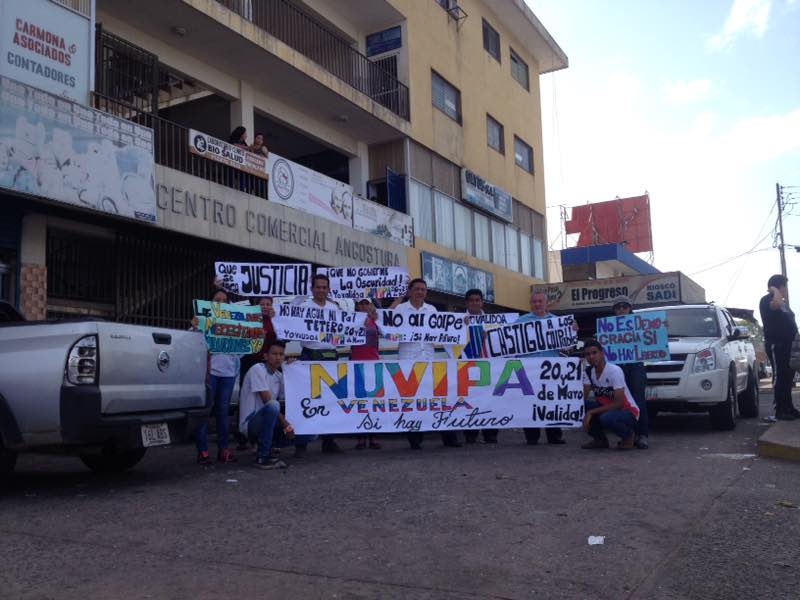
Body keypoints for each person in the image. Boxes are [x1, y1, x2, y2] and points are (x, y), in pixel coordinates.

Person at [395, 278, 461, 449]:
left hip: (430, 360)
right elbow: (384, 322)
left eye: (423, 289)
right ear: (409, 291)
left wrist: (461, 324)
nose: (420, 292)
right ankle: (415, 441)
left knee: (439, 399)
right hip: (408, 361)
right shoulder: (400, 310)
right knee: (411, 402)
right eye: (417, 289)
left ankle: (449, 438)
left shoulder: (432, 310)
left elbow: (445, 329)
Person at [296, 273, 344, 455]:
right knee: (306, 399)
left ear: (328, 289)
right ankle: (301, 444)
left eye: (324, 287)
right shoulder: (303, 306)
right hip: (309, 355)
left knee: (331, 400)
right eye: (318, 287)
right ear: (312, 288)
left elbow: (345, 330)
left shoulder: (335, 308)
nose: (321, 290)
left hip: (331, 357)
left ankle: (329, 441)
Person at [194, 289, 238, 465]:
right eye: (217, 299)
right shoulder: (202, 321)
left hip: (228, 374)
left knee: (223, 413)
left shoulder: (235, 323)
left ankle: (224, 450)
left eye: (224, 300)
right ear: (210, 303)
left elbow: (242, 348)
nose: (221, 302)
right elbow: (192, 341)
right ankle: (203, 451)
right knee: (205, 413)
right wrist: (194, 326)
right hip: (209, 374)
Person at [518, 291, 567, 445]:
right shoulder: (520, 322)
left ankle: (554, 436)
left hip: (551, 370)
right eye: (534, 302)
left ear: (546, 303)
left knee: (552, 401)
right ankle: (532, 437)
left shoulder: (558, 322)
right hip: (528, 370)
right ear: (530, 304)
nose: (537, 304)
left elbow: (568, 347)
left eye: (540, 301)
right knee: (529, 403)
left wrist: (572, 331)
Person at [238, 341, 292, 469]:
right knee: (273, 405)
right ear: (266, 356)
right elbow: (267, 400)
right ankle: (262, 457)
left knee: (311, 434)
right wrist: (286, 425)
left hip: (268, 422)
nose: (278, 357)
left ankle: (270, 447)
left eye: (281, 354)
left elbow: (290, 398)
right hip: (251, 424)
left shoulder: (279, 376)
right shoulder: (257, 369)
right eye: (274, 354)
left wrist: (291, 370)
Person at [581, 339, 641, 449]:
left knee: (606, 418)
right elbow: (583, 397)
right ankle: (600, 440)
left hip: (627, 411)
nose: (591, 357)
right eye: (588, 354)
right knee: (579, 406)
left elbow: (619, 403)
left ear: (602, 353)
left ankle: (628, 436)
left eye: (594, 353)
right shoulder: (588, 372)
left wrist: (591, 412)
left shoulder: (614, 371)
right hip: (606, 408)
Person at [236, 296, 277, 450]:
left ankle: (264, 435)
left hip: (269, 364)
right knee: (247, 398)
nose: (265, 306)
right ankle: (243, 436)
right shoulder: (249, 319)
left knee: (267, 398)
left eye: (268, 304)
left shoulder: (276, 320)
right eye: (262, 304)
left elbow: (282, 340)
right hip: (250, 361)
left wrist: (275, 321)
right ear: (256, 306)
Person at [610, 295, 650, 449]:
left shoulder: (641, 323)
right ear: (614, 310)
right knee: (623, 401)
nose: (621, 309)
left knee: (639, 400)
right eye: (618, 307)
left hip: (636, 366)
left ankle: (642, 435)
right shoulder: (609, 326)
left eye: (624, 306)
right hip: (618, 368)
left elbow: (651, 341)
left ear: (629, 308)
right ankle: (629, 435)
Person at [759, 274, 799, 420]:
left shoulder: (783, 303)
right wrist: (774, 290)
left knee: (788, 377)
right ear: (778, 287)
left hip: (789, 346)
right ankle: (780, 411)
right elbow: (775, 304)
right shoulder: (767, 300)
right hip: (777, 345)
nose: (786, 290)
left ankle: (789, 408)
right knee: (780, 377)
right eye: (784, 287)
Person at [462, 289, 498, 444]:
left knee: (490, 400)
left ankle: (490, 434)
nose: (474, 303)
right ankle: (471, 434)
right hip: (466, 366)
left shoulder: (493, 320)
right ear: (466, 303)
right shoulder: (458, 320)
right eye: (471, 300)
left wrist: (491, 336)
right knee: (469, 401)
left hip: (489, 366)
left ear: (482, 302)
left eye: (477, 300)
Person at [350, 298, 382, 450]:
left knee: (374, 402)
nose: (363, 306)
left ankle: (374, 436)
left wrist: (401, 297)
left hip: (374, 363)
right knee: (360, 402)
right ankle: (361, 437)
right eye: (360, 304)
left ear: (370, 305)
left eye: (366, 303)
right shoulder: (350, 320)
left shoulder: (378, 319)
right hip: (356, 363)